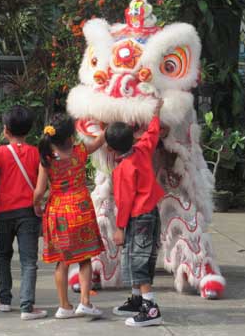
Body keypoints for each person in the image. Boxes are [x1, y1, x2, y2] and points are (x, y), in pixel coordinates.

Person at [33, 114, 105, 319]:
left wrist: (36, 205)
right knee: (85, 258)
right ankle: (85, 302)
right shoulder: (80, 151)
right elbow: (100, 140)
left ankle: (64, 306)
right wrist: (106, 122)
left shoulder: (47, 159)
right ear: (71, 137)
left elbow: (39, 191)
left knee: (62, 261)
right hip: (81, 209)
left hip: (58, 212)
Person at [0, 105, 47, 320]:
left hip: (4, 212)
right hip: (28, 212)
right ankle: (27, 307)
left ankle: (4, 300)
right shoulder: (37, 153)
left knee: (2, 255)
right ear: (28, 130)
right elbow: (43, 183)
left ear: (5, 130)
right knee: (28, 261)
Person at [107, 99, 165, 327]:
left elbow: (124, 201)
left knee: (137, 259)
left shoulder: (122, 169)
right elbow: (153, 133)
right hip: (150, 213)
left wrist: (119, 228)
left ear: (110, 149)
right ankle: (137, 300)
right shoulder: (142, 149)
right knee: (139, 255)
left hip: (138, 216)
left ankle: (151, 309)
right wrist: (156, 113)